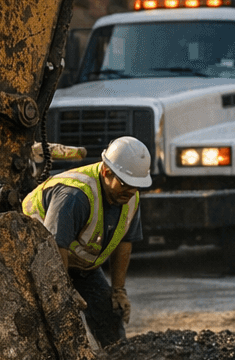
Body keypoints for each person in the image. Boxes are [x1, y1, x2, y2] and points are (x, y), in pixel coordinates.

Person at [22, 135, 152, 345]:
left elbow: (125, 241)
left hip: (79, 263)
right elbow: (55, 246)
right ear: (106, 172)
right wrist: (65, 293)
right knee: (57, 321)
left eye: (136, 186)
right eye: (125, 184)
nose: (130, 191)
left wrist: (119, 290)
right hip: (36, 257)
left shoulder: (129, 198)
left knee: (109, 314)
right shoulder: (75, 195)